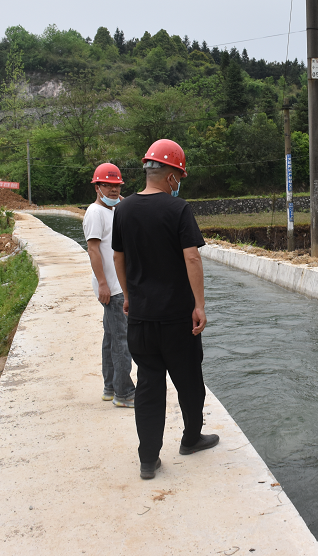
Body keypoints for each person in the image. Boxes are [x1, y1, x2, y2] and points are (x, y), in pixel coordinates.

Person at [112, 139, 218, 480]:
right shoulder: (178, 209)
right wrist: (199, 305)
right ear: (171, 175)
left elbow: (118, 257)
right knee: (189, 381)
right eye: (180, 177)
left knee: (149, 385)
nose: (179, 183)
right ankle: (191, 439)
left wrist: (128, 296)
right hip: (177, 319)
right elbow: (192, 257)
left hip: (141, 319)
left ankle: (148, 460)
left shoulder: (123, 210)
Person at [83, 163, 136, 408]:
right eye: (107, 185)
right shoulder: (95, 213)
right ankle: (124, 394)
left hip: (115, 285)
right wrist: (103, 284)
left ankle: (110, 387)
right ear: (97, 187)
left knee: (111, 337)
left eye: (117, 186)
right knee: (122, 340)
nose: (113, 190)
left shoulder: (112, 210)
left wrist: (120, 202)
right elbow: (93, 250)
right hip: (112, 289)